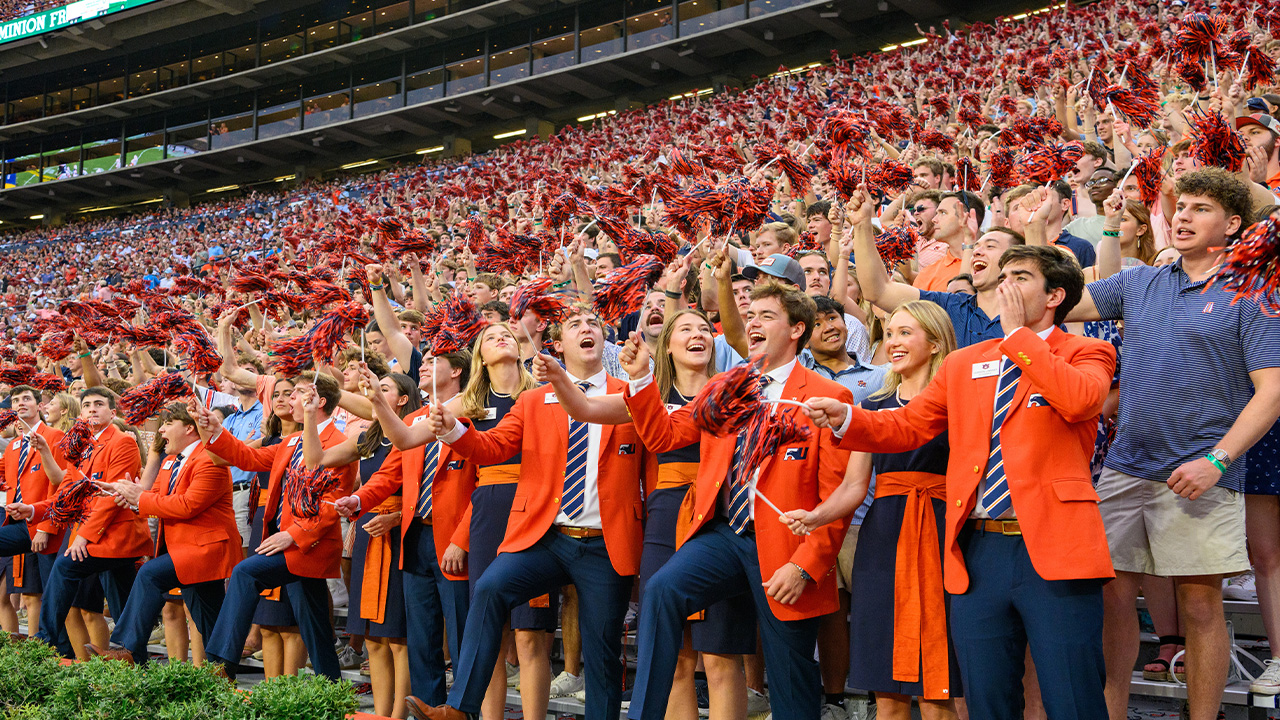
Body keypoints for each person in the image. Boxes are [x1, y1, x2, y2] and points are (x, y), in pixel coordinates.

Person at [807, 245, 1117, 719]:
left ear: (1056, 294)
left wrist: (1017, 335)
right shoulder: (963, 362)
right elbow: (907, 426)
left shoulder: (1087, 351)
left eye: (1021, 277)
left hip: (1055, 546)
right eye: (1003, 275)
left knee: (1072, 696)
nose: (1004, 284)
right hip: (976, 548)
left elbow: (1079, 401)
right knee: (985, 697)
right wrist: (849, 417)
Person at [1065, 168, 1280, 720]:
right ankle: (1111, 712)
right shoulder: (1140, 283)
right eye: (1179, 206)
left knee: (1201, 603)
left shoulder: (1253, 291)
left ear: (1233, 225)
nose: (1182, 216)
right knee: (1114, 601)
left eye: (1200, 208)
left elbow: (1272, 391)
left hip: (1202, 473)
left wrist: (1217, 460)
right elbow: (1065, 304)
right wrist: (1096, 231)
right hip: (1126, 467)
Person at [624, 281, 854, 720]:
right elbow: (663, 436)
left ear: (796, 329)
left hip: (789, 548)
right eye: (750, 318)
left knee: (791, 681)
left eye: (766, 316)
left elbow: (837, 497)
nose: (752, 324)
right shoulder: (727, 386)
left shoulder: (829, 395)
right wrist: (639, 379)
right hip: (725, 534)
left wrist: (805, 564)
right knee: (662, 591)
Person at [413, 306, 648, 720]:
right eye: (575, 325)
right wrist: (452, 428)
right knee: (489, 589)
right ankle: (459, 709)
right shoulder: (534, 399)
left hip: (606, 542)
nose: (586, 328)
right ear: (558, 345)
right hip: (547, 536)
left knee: (603, 657)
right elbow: (491, 447)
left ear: (604, 340)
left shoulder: (631, 393)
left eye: (593, 323)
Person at [535, 308, 753, 720]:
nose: (698, 335)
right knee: (675, 662)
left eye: (705, 328)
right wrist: (559, 376)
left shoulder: (732, 392)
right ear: (666, 346)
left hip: (721, 518)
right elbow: (582, 409)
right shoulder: (645, 395)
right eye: (685, 329)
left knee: (722, 659)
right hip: (665, 520)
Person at [784, 299, 960, 720]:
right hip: (882, 538)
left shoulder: (958, 401)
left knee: (940, 689)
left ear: (936, 344)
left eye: (905, 333)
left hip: (940, 533)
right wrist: (815, 517)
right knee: (887, 690)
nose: (893, 343)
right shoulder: (873, 407)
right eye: (891, 333)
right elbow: (853, 487)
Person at [375, 325, 553, 720]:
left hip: (535, 505)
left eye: (507, 332)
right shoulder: (470, 400)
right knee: (488, 633)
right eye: (490, 337)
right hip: (488, 511)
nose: (501, 338)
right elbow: (405, 439)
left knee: (529, 635)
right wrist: (379, 404)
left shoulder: (540, 391)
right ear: (479, 356)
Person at [194, 371, 359, 682]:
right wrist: (215, 431)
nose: (288, 400)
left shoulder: (340, 443)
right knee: (315, 625)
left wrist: (292, 535)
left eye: (295, 393)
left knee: (245, 572)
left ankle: (222, 664)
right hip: (289, 540)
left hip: (310, 545)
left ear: (318, 401)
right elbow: (247, 457)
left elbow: (331, 505)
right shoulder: (292, 440)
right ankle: (332, 686)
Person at [333, 360, 473, 713]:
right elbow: (388, 474)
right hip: (415, 538)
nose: (423, 365)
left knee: (460, 636)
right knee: (422, 637)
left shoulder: (475, 410)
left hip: (455, 539)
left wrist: (463, 537)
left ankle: (462, 710)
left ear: (457, 370)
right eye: (422, 362)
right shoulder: (412, 421)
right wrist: (359, 498)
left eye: (432, 361)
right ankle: (429, 708)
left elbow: (483, 485)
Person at [85, 403, 240, 665]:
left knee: (149, 574)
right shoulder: (170, 461)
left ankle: (126, 648)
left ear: (189, 428)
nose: (161, 431)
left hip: (206, 550)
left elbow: (186, 506)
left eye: (167, 424)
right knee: (208, 615)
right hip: (185, 550)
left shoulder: (210, 460)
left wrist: (140, 498)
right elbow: (152, 498)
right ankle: (223, 670)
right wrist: (119, 491)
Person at [14, 387, 148, 659]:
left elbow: (112, 496)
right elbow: (65, 493)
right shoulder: (84, 448)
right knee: (122, 599)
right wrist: (32, 509)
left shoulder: (123, 441)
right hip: (99, 536)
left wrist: (83, 537)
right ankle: (136, 658)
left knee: (65, 567)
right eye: (86, 405)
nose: (91, 409)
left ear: (113, 412)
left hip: (116, 535)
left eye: (99, 404)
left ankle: (45, 638)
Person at [0, 386, 68, 638]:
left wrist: (44, 528)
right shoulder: (13, 445)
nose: (20, 403)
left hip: (45, 525)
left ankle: (58, 650)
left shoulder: (55, 435)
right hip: (17, 523)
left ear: (40, 405)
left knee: (52, 593)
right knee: (36, 594)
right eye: (15, 400)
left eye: (26, 399)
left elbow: (62, 487)